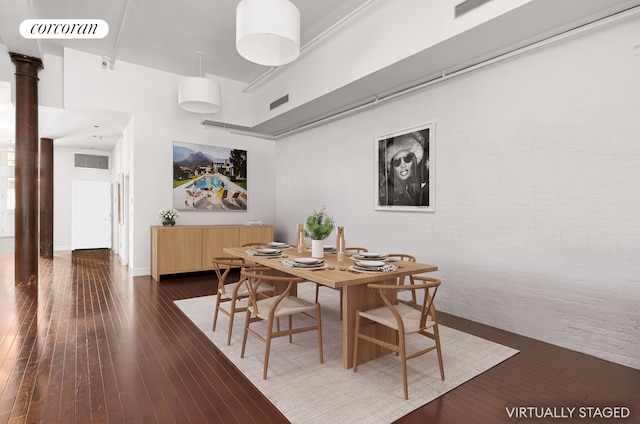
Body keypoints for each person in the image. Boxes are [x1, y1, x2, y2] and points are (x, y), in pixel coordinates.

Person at [379, 131, 429, 206]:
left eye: (407, 159)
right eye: (397, 162)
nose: (403, 165)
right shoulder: (387, 195)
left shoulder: (423, 190)